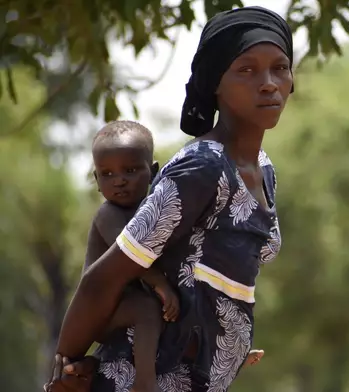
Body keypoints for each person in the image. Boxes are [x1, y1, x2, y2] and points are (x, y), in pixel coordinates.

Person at [45, 5, 291, 392]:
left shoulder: (264, 168)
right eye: (246, 69)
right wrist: (67, 367)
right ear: (215, 83)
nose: (268, 83)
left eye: (280, 67)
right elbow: (105, 278)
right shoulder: (202, 166)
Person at [86, 120, 178, 392]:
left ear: (153, 172)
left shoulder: (153, 214)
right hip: (99, 311)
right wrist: (160, 283)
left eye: (130, 170)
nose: (119, 180)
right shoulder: (108, 214)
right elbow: (132, 259)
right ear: (96, 180)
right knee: (147, 308)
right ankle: (144, 383)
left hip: (126, 306)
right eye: (108, 174)